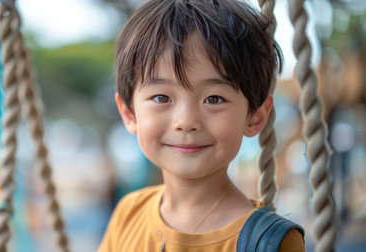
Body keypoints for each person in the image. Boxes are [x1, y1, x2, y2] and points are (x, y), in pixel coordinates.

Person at [99, 0, 305, 251]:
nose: (186, 121)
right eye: (162, 98)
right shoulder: (128, 214)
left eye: (214, 99)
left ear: (255, 116)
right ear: (130, 113)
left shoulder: (269, 242)